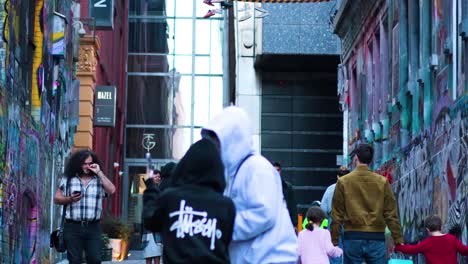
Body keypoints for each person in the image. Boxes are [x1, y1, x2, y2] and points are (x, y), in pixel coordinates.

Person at [201, 106, 297, 264]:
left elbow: (263, 213)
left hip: (269, 258)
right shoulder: (238, 171)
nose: (215, 147)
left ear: (232, 139)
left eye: (217, 140)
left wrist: (221, 227)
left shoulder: (256, 168)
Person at [143, 138, 236, 263]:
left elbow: (150, 220)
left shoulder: (170, 198)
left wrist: (150, 187)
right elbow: (227, 243)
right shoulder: (226, 205)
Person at [330, 143, 403, 263]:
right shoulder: (382, 182)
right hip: (376, 237)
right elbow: (390, 213)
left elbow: (337, 214)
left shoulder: (343, 182)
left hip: (352, 237)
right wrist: (398, 238)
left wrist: (334, 240)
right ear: (370, 159)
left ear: (356, 158)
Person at [53, 149, 116, 264]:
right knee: (75, 260)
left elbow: (112, 190)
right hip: (72, 227)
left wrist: (99, 172)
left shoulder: (99, 180)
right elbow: (56, 198)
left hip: (93, 227)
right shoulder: (68, 179)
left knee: (95, 259)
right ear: (78, 164)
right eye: (84, 164)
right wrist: (70, 199)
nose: (87, 166)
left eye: (90, 163)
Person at [395, 215, 468, 263]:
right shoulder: (452, 239)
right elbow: (464, 250)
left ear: (427, 229)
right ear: (441, 227)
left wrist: (398, 247)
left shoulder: (426, 243)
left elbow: (411, 249)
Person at [321, 166, 350, 264]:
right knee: (349, 251)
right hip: (349, 222)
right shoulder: (354, 189)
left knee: (334, 250)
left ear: (337, 176)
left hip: (333, 221)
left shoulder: (330, 189)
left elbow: (323, 209)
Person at [142, 169, 163, 264]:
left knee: (157, 256)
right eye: (156, 177)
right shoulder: (149, 192)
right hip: (148, 228)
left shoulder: (161, 190)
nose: (158, 178)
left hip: (157, 228)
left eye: (159, 177)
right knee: (148, 256)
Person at [273, 162, 298, 230]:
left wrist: (295, 224)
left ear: (280, 171)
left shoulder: (287, 187)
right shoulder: (266, 186)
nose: (276, 172)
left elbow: (292, 206)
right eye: (274, 170)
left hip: (285, 222)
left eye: (278, 170)